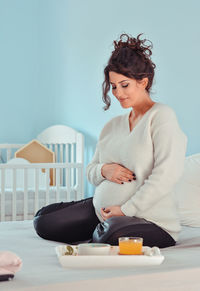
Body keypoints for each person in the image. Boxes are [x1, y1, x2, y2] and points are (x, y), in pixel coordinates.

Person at [33, 33, 187, 248]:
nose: (117, 93)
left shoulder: (161, 116)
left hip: (151, 220)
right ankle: (99, 223)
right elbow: (91, 170)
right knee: (44, 222)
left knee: (108, 237)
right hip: (103, 213)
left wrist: (125, 210)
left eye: (124, 85)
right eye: (113, 86)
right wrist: (104, 170)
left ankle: (103, 228)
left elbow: (166, 175)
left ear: (143, 82)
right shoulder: (112, 126)